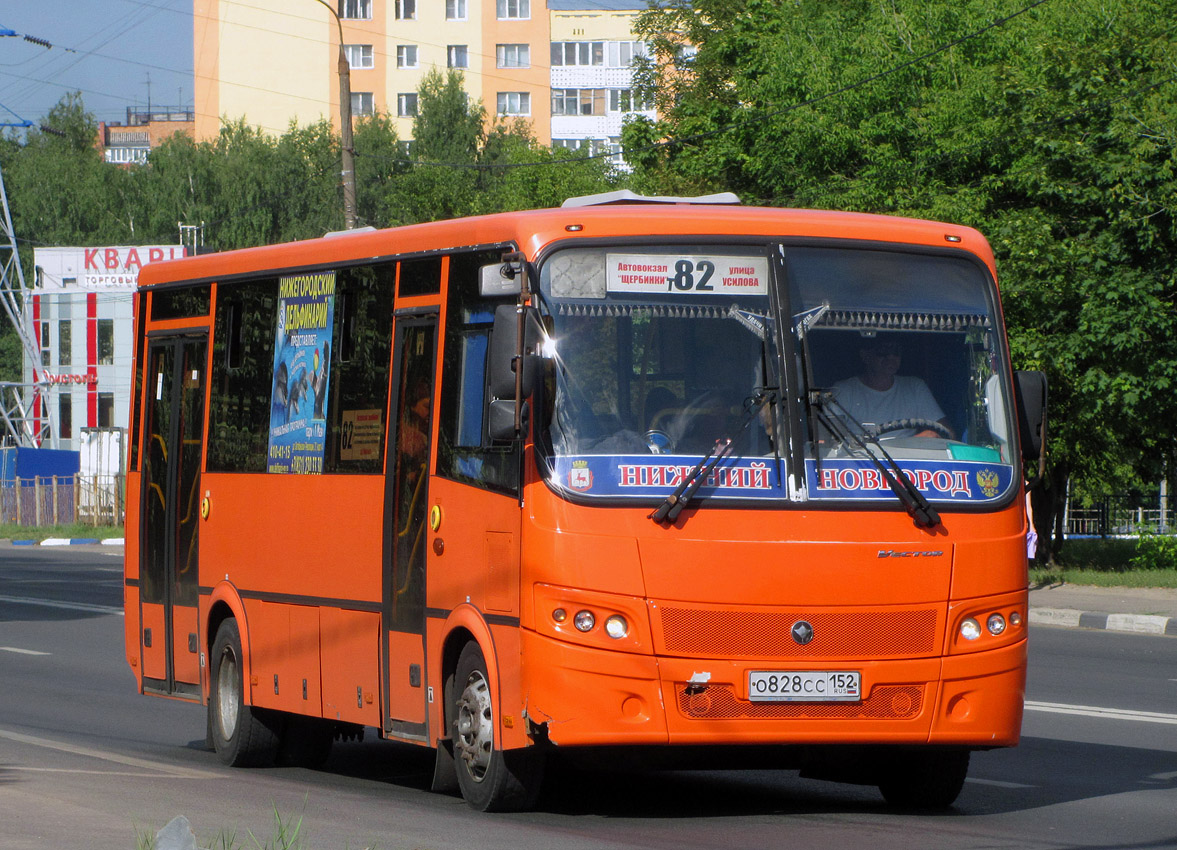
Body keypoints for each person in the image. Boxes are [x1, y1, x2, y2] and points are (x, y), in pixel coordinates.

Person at [832, 335, 953, 438]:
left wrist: (928, 436)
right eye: (883, 351)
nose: (890, 357)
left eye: (896, 351)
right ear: (865, 355)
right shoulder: (843, 391)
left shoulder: (915, 387)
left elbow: (949, 433)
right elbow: (828, 442)